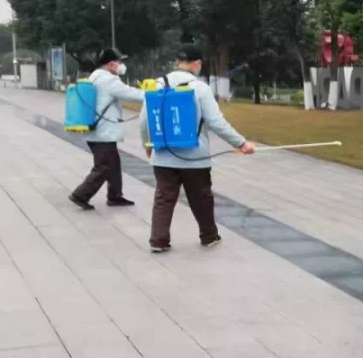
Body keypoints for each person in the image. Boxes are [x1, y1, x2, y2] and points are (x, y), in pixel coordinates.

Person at [139, 43, 255, 253]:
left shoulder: (157, 84)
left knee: (164, 198)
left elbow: (144, 120)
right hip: (195, 156)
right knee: (201, 197)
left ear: (177, 61)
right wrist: (241, 143)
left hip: (163, 153)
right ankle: (209, 236)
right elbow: (216, 122)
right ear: (197, 63)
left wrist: (147, 144)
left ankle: (158, 240)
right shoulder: (200, 88)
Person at [69, 48, 146, 210]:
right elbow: (131, 94)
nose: (121, 65)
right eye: (119, 61)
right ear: (111, 64)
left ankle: (115, 195)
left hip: (96, 129)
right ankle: (80, 194)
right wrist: (153, 94)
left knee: (113, 163)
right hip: (103, 132)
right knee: (103, 166)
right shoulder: (108, 80)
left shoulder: (95, 76)